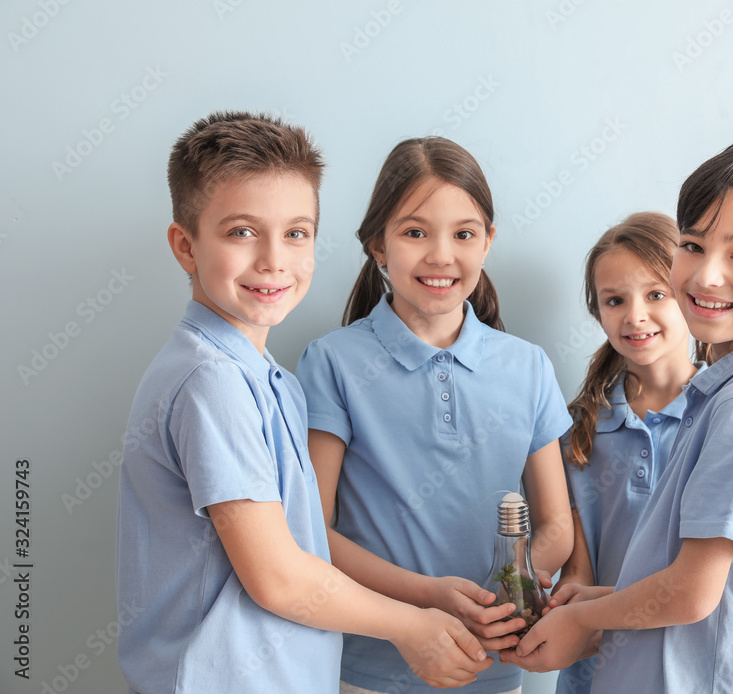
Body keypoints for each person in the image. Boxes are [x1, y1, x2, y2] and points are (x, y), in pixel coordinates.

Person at [116, 113, 491, 694]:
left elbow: (302, 547)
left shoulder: (271, 380)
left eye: (296, 233)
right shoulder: (209, 381)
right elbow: (278, 578)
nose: (273, 260)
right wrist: (410, 627)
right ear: (185, 246)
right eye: (242, 232)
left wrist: (423, 596)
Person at [501, 131, 733, 693]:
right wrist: (599, 599)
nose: (706, 275)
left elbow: (691, 593)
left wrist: (584, 618)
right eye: (693, 245)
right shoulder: (731, 394)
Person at [296, 136, 574, 694]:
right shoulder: (332, 362)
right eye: (415, 231)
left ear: (488, 242)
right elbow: (311, 533)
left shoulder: (528, 367)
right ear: (378, 244)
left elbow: (557, 528)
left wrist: (498, 597)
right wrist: (429, 597)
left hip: (495, 672)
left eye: (464, 234)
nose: (441, 255)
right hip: (367, 674)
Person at [553, 212, 701, 694]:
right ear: (598, 314)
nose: (635, 316)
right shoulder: (579, 431)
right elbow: (578, 572)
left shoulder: (725, 418)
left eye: (656, 294)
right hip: (597, 675)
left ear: (689, 294)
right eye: (615, 301)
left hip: (689, 668)